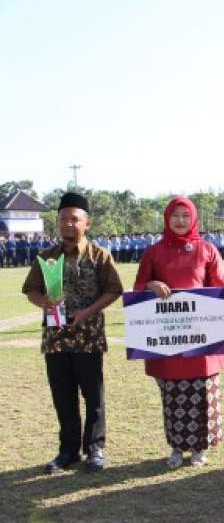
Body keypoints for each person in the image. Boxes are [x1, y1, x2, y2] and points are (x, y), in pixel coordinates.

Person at [22, 192, 123, 473]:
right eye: (63, 219)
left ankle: (95, 449)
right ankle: (68, 452)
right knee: (63, 397)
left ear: (86, 223)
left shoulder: (100, 256)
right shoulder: (46, 258)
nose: (68, 224)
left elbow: (114, 290)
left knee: (94, 397)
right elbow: (31, 289)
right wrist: (44, 302)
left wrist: (88, 312)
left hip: (88, 338)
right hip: (56, 341)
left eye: (74, 219)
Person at [133, 196, 224, 468]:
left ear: (193, 219)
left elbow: (222, 291)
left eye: (185, 216)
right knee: (173, 394)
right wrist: (151, 284)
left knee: (201, 392)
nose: (179, 220)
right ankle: (177, 447)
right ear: (166, 218)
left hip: (203, 336)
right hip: (168, 338)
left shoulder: (207, 250)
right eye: (174, 215)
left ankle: (200, 447)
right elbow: (138, 287)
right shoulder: (153, 252)